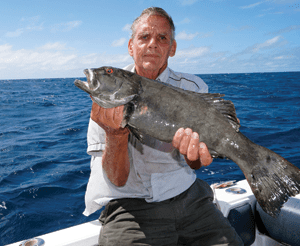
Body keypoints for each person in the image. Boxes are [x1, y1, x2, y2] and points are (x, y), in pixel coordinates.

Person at [83, 7, 243, 246]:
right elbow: (116, 180)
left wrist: (195, 156)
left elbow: (196, 163)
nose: (152, 44)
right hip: (130, 206)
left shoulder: (193, 87)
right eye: (144, 37)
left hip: (190, 197)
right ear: (131, 46)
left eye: (162, 38)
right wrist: (114, 134)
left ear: (173, 48)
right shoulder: (107, 99)